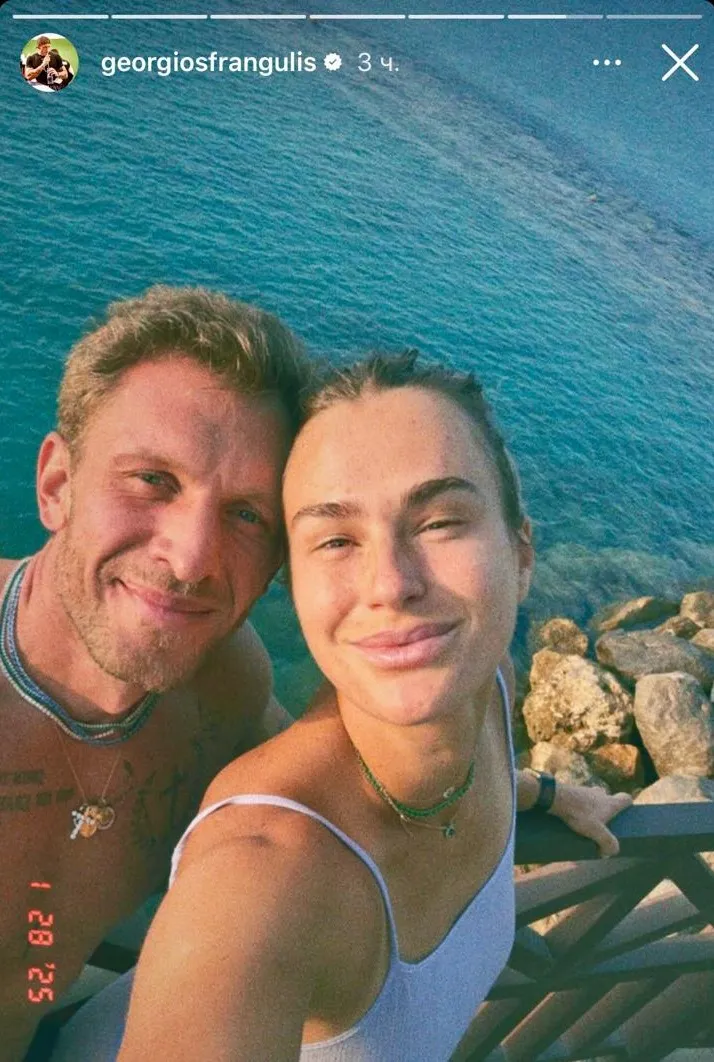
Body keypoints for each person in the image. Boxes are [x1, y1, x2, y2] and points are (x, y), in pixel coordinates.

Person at [54, 351, 632, 1062]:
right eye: (334, 540)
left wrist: (542, 792)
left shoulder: (491, 688)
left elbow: (431, 779)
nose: (390, 584)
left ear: (521, 553)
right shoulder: (258, 882)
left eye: (440, 522)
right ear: (293, 588)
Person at [0, 285, 310, 1062]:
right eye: (152, 480)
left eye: (246, 514)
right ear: (57, 486)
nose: (192, 558)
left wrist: (527, 788)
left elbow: (326, 779)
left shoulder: (225, 684)